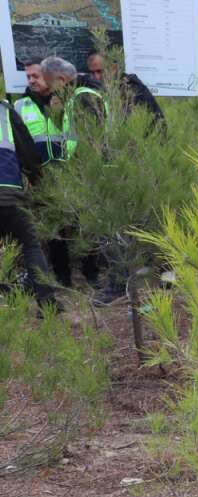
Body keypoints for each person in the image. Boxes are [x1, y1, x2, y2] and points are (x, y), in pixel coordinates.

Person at [39, 56, 121, 304]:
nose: (49, 90)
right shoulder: (81, 95)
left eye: (50, 84)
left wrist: (78, 175)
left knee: (106, 230)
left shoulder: (82, 98)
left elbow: (89, 141)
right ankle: (116, 282)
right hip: (95, 171)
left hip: (96, 173)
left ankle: (117, 284)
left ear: (62, 79)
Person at [0, 94, 57, 308]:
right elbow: (28, 151)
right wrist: (37, 180)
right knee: (31, 246)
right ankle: (47, 303)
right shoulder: (4, 111)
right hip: (10, 193)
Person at [85, 50, 164, 123]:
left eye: (100, 71)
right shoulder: (91, 86)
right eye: (92, 72)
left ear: (113, 68)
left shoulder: (133, 87)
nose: (96, 77)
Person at [15, 60, 62, 165]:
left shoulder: (66, 101)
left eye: (35, 76)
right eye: (28, 77)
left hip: (68, 169)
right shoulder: (19, 105)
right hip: (37, 170)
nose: (31, 81)